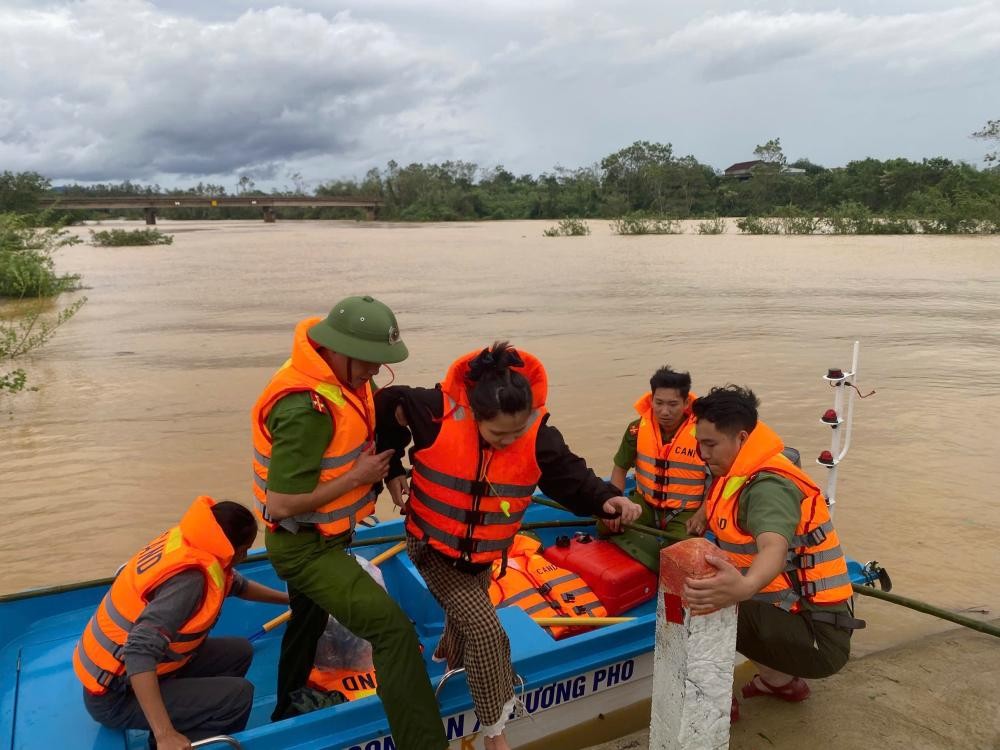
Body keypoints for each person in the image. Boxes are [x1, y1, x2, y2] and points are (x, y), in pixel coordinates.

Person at [375, 342, 642, 750]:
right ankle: (495, 734)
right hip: (431, 546)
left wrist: (607, 498)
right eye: (498, 433)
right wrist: (391, 468)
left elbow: (569, 474)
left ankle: (447, 652)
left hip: (483, 554)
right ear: (477, 415)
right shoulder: (434, 410)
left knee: (469, 613)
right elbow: (385, 403)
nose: (509, 441)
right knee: (487, 632)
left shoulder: (536, 433)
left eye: (517, 432)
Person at [250, 295, 448, 748]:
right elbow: (280, 504)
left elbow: (373, 430)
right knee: (393, 632)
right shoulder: (304, 408)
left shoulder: (343, 379)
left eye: (382, 363)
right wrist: (359, 478)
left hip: (327, 534)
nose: (375, 373)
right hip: (303, 546)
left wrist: (393, 471)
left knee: (307, 617)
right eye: (370, 363)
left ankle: (287, 701)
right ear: (338, 348)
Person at [684, 386, 864, 717]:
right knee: (722, 595)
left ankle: (713, 708)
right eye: (699, 443)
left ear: (740, 438)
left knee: (699, 606)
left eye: (710, 444)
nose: (702, 454)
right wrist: (703, 513)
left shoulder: (768, 487)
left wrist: (744, 587)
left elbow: (773, 546)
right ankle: (780, 682)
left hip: (818, 639)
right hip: (802, 618)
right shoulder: (740, 469)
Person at [74, 496, 289, 750]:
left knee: (239, 652)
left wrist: (288, 599)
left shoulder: (194, 543)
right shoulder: (190, 580)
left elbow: (238, 585)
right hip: (116, 695)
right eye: (244, 550)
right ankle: (169, 742)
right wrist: (164, 734)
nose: (243, 557)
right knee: (239, 696)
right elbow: (138, 651)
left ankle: (188, 720)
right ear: (235, 549)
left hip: (143, 673)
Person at [605, 366, 709, 570]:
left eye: (673, 404)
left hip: (685, 512)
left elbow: (721, 479)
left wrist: (703, 513)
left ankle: (654, 556)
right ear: (651, 400)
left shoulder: (705, 432)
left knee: (685, 556)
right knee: (605, 522)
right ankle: (651, 555)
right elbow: (619, 469)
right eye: (659, 403)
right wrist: (616, 506)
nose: (664, 411)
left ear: (686, 402)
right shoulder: (636, 429)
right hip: (644, 503)